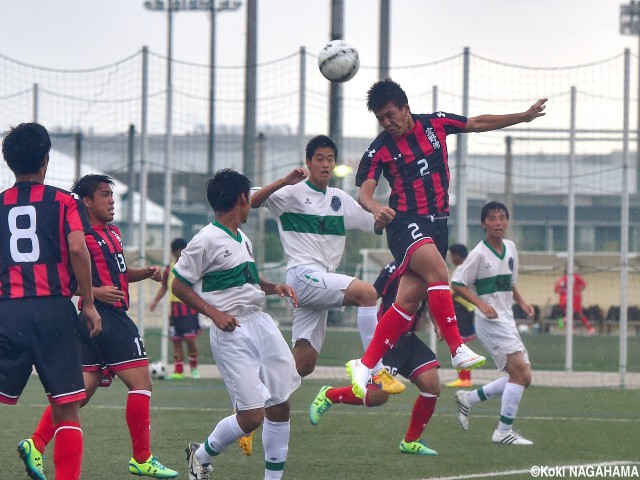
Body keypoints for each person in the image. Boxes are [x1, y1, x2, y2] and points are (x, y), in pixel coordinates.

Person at [346, 77, 547, 398]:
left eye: (389, 115)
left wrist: (522, 117)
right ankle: (457, 348)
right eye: (380, 119)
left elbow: (478, 123)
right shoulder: (379, 149)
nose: (386, 123)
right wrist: (374, 208)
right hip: (404, 224)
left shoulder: (436, 125)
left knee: (407, 303)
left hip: (437, 225)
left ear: (405, 108)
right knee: (441, 273)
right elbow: (365, 192)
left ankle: (366, 362)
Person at [21, 174, 178, 478]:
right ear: (87, 202)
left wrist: (143, 273)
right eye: (104, 195)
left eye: (112, 195)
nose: (111, 201)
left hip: (95, 319)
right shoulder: (79, 237)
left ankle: (35, 444)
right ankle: (142, 458)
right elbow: (62, 280)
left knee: (80, 394)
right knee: (142, 384)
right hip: (107, 316)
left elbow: (119, 272)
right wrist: (92, 293)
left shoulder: (113, 232)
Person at [172, 169, 301, 480]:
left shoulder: (242, 237)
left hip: (261, 324)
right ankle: (200, 455)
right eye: (249, 199)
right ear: (243, 199)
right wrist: (214, 313)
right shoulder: (205, 239)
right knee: (252, 415)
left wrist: (273, 287)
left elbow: (247, 280)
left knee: (280, 404)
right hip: (231, 331)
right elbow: (178, 284)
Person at [250, 135, 403, 394]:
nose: (325, 164)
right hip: (302, 275)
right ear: (308, 162)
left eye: (330, 159)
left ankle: (249, 404)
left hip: (320, 282)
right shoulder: (290, 193)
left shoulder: (339, 199)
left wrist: (385, 213)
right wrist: (283, 181)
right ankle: (374, 368)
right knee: (367, 293)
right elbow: (252, 201)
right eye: (319, 159)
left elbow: (373, 223)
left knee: (303, 365)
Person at [1, 123, 101, 480]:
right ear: (46, 160)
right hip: (54, 311)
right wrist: (87, 303)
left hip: (7, 310)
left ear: (9, 162)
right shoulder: (64, 202)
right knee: (66, 409)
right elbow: (77, 247)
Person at [308, 260, 441, 456]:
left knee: (432, 385)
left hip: (409, 341)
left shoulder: (430, 267)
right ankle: (330, 395)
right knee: (377, 396)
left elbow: (432, 300)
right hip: (388, 340)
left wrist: (438, 325)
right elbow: (370, 295)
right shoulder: (393, 270)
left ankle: (411, 441)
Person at [452, 201, 535, 445]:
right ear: (483, 224)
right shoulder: (478, 253)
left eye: (502, 218)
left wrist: (522, 302)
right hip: (490, 322)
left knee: (523, 377)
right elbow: (456, 283)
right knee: (521, 373)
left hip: (506, 318)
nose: (498, 223)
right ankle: (502, 432)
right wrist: (480, 303)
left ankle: (469, 399)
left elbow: (510, 282)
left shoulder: (510, 247)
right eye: (492, 219)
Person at [150, 237, 202, 380]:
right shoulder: (170, 268)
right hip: (175, 310)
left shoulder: (193, 266)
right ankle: (178, 370)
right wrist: (155, 302)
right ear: (173, 252)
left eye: (182, 249)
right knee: (176, 340)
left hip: (189, 308)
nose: (180, 252)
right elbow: (164, 287)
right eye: (177, 250)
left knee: (190, 339)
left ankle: (194, 368)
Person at [446, 244, 476, 388]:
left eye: (451, 255)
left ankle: (464, 378)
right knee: (461, 345)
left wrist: (449, 297)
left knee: (460, 345)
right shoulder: (467, 268)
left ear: (457, 255)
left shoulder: (463, 269)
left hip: (463, 310)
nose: (451, 258)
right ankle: (464, 378)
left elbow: (460, 288)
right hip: (465, 310)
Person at [554, 268, 595, 334]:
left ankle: (575, 328)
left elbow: (556, 290)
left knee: (574, 313)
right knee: (575, 313)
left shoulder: (563, 278)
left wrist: (564, 291)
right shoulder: (573, 277)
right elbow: (583, 285)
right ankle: (565, 322)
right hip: (572, 299)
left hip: (565, 300)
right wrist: (576, 291)